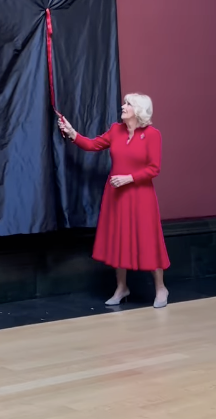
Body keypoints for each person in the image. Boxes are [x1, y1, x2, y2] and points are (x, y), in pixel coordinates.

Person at [58, 94, 169, 308]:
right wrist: (72, 133)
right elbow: (91, 145)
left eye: (128, 104)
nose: (123, 106)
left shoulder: (153, 135)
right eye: (125, 103)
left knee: (149, 239)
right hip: (116, 196)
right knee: (119, 240)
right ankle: (121, 288)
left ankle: (160, 288)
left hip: (141, 197)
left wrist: (129, 178)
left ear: (138, 110)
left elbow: (154, 168)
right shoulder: (115, 131)